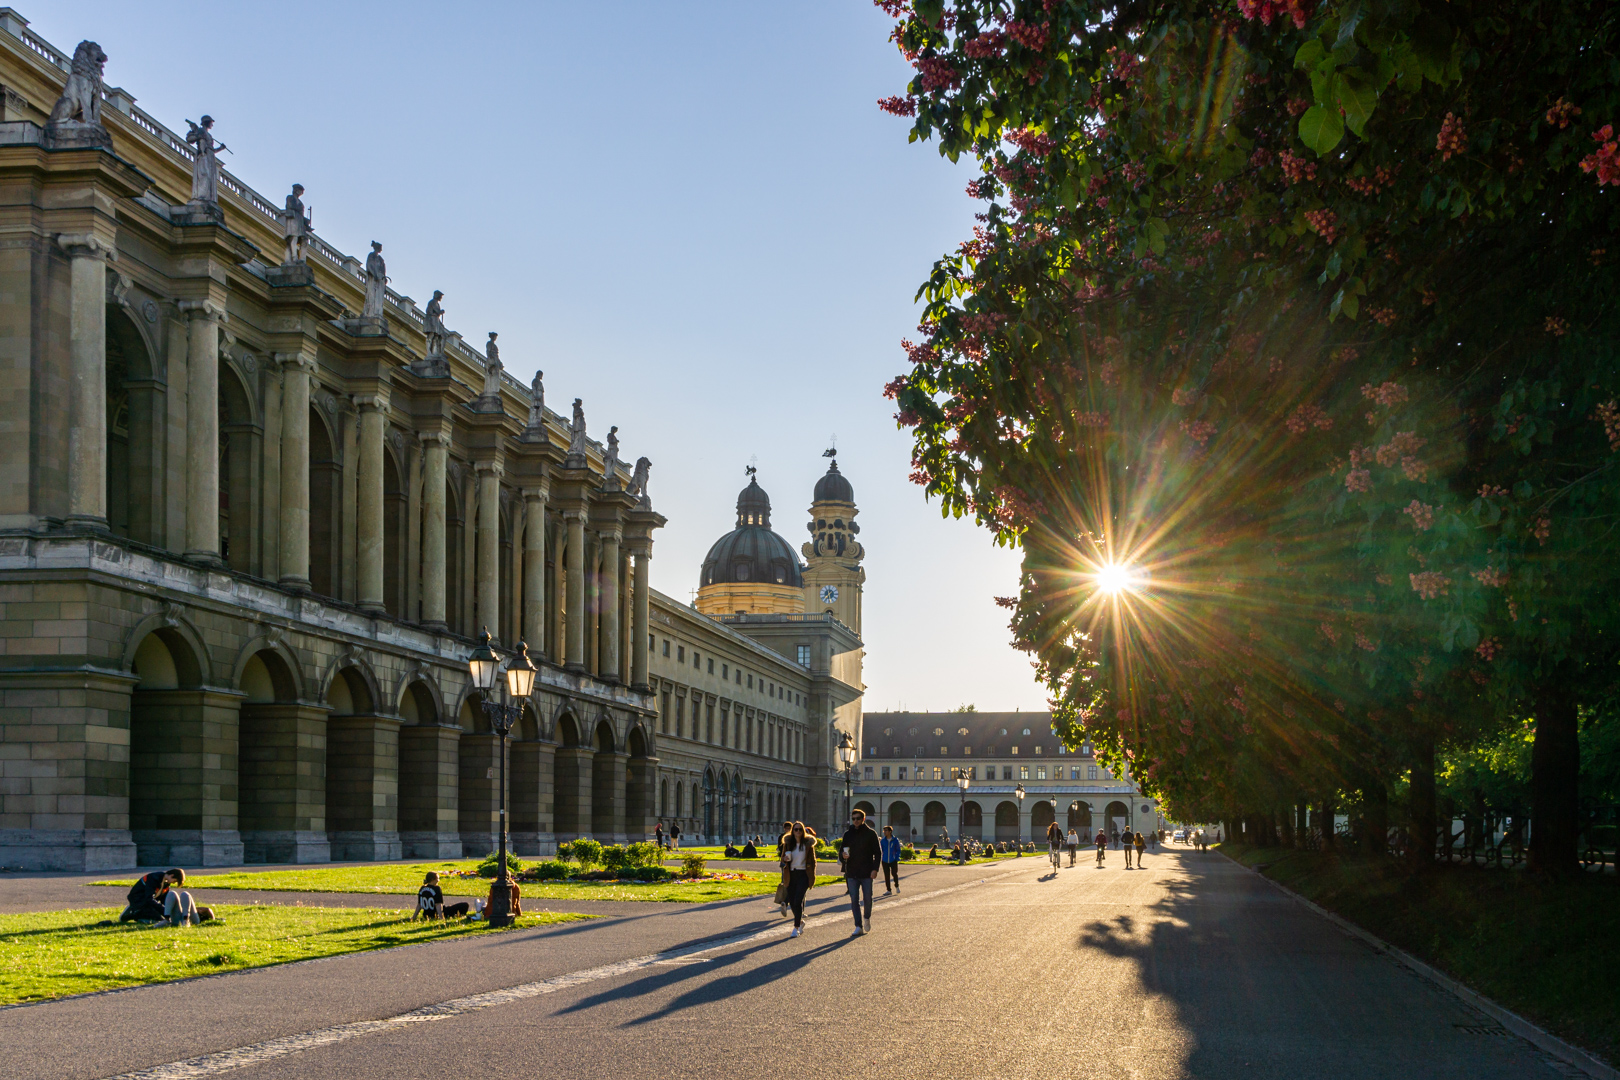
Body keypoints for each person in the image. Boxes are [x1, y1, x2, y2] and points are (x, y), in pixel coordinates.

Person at [840, 809, 882, 936]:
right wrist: (843, 856)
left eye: (858, 818)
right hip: (852, 872)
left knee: (868, 899)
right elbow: (841, 852)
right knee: (854, 900)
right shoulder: (848, 834)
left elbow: (878, 853)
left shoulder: (870, 833)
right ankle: (858, 925)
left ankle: (867, 917)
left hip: (867, 872)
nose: (855, 821)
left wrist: (875, 869)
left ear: (863, 819)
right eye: (853, 819)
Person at [781, 821, 817, 937]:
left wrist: (812, 875)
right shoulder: (788, 844)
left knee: (798, 900)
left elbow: (813, 861)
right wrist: (785, 860)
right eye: (795, 829)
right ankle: (801, 922)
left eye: (800, 830)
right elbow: (781, 861)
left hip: (803, 875)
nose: (798, 832)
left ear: (803, 831)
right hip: (791, 875)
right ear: (792, 831)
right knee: (792, 902)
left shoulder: (808, 845)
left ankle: (795, 928)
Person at [879, 825, 902, 894]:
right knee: (887, 875)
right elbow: (880, 850)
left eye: (886, 831)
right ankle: (889, 890)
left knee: (894, 873)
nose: (884, 832)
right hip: (885, 860)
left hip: (893, 860)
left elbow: (898, 850)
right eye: (884, 831)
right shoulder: (883, 841)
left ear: (890, 831)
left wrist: (897, 857)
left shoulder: (895, 840)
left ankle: (897, 886)